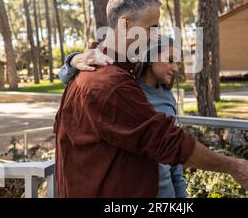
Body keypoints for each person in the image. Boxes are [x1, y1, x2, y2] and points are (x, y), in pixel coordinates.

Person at [54, 0, 248, 197]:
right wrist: (235, 166)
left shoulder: (93, 69)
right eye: (152, 28)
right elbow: (168, 141)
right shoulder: (110, 83)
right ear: (126, 24)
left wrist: (72, 60)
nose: (155, 37)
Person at [60, 35, 189, 198]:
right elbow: (69, 79)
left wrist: (180, 194)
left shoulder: (167, 95)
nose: (176, 68)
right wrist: (73, 59)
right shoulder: (125, 88)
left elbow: (173, 149)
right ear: (150, 57)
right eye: (170, 60)